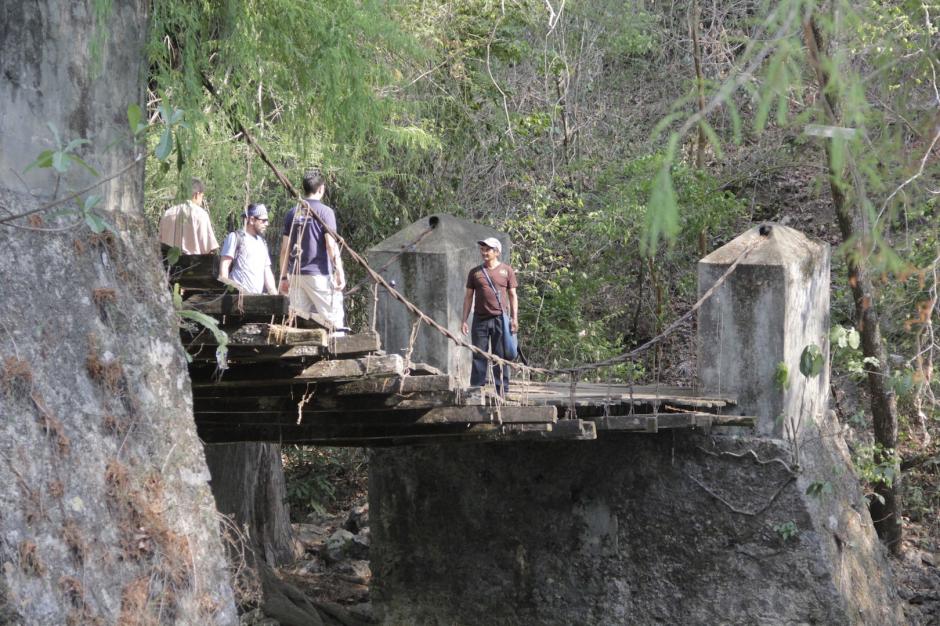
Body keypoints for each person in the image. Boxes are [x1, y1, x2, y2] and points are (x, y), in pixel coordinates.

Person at [278, 170, 346, 331]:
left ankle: (296, 355)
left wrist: (283, 277)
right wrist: (339, 272)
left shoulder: (292, 213)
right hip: (319, 275)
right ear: (321, 189)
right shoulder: (325, 212)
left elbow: (284, 249)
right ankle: (337, 351)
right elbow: (330, 245)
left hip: (296, 276)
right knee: (333, 320)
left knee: (297, 322)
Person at [461, 237, 518, 395]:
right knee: (479, 355)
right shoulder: (475, 272)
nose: (484, 252)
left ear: (497, 252)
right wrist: (464, 320)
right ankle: (476, 390)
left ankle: (502, 391)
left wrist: (514, 319)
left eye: (488, 249)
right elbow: (468, 297)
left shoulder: (506, 271)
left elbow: (513, 296)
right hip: (480, 320)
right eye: (483, 249)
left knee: (501, 356)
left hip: (500, 318)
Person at [218, 203, 277, 295]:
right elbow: (224, 267)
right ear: (252, 220)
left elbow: (267, 272)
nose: (267, 224)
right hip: (236, 297)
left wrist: (274, 295)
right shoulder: (235, 237)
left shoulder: (263, 243)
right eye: (263, 220)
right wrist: (225, 294)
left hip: (255, 299)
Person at [158, 178, 219, 254]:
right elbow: (209, 247)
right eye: (202, 196)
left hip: (167, 263)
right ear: (197, 194)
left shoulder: (167, 214)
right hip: (194, 263)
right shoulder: (201, 214)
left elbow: (159, 243)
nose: (201, 200)